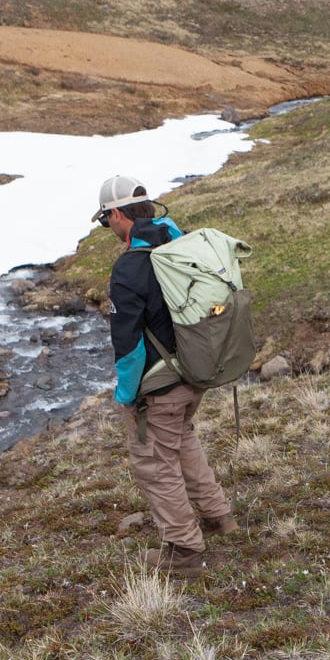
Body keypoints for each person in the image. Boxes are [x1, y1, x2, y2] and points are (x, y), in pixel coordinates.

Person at [99, 174, 234, 574]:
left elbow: (128, 344)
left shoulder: (129, 269)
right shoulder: (180, 242)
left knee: (154, 463)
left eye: (105, 219)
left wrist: (127, 394)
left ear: (118, 214)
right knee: (182, 442)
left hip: (160, 384)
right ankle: (218, 516)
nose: (107, 227)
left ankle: (185, 551)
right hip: (196, 370)